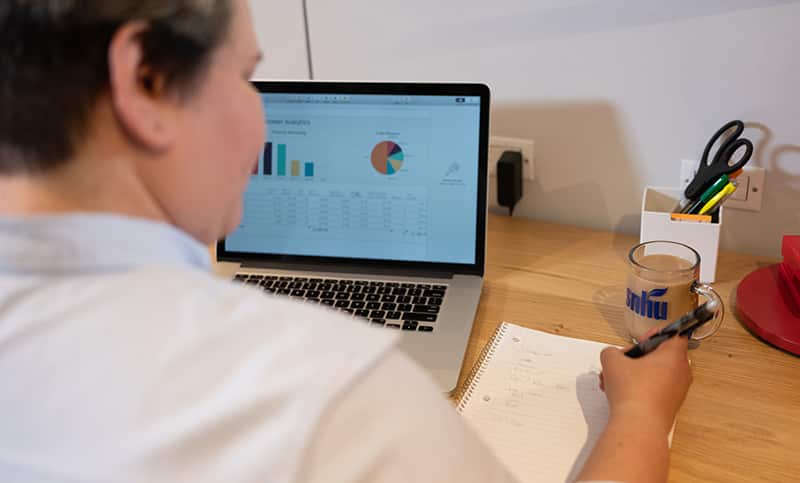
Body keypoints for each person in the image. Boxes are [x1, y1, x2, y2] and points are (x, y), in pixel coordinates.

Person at [0, 1, 692, 482]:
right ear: (145, 81)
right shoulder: (330, 393)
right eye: (242, 77)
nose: (260, 122)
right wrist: (641, 410)